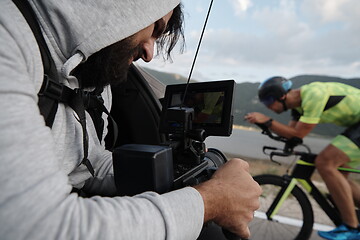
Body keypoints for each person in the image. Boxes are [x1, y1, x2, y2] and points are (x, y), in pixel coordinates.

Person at [0, 0, 261, 239]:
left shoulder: (95, 83)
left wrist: (173, 176)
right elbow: (41, 227)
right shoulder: (8, 35)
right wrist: (212, 200)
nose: (149, 52)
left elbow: (87, 165)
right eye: (155, 28)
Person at [245, 76, 360, 240]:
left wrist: (268, 121)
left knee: (325, 162)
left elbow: (299, 133)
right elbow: (291, 135)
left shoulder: (313, 94)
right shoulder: (298, 108)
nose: (268, 107)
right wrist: (264, 124)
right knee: (339, 180)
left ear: (282, 96)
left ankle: (351, 228)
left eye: (268, 101)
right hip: (356, 125)